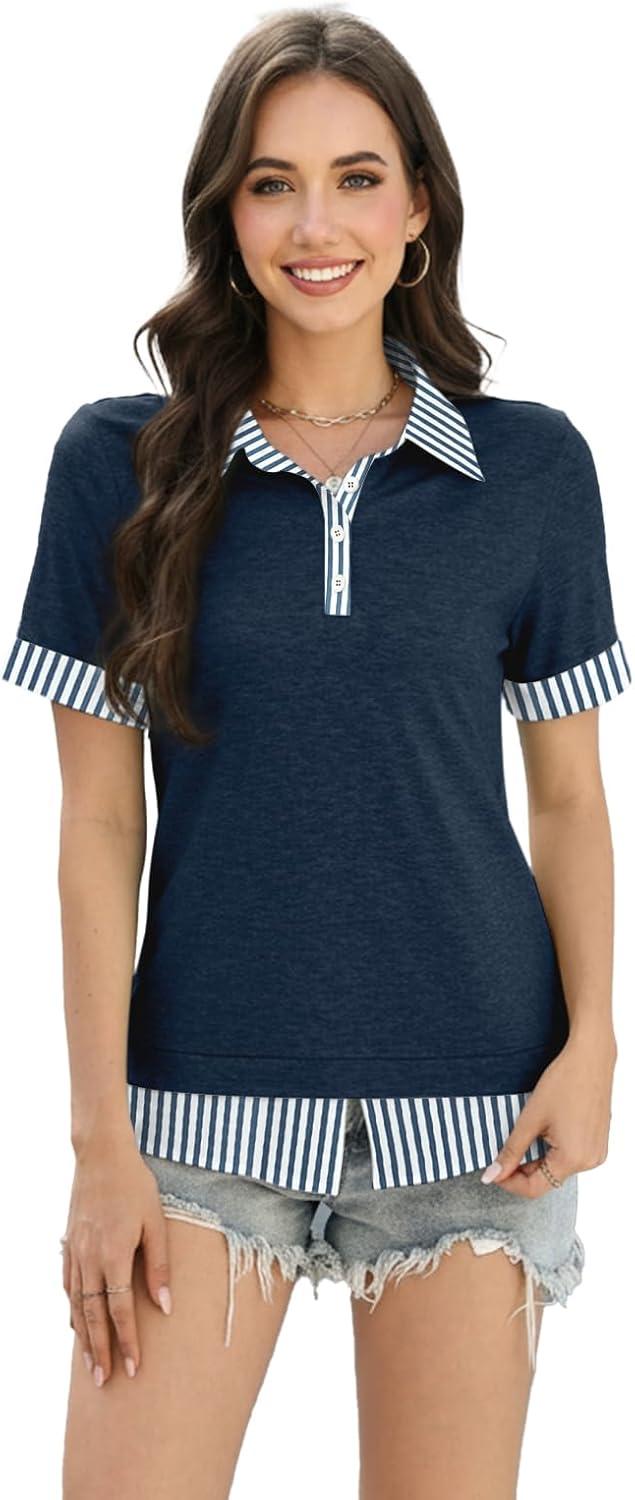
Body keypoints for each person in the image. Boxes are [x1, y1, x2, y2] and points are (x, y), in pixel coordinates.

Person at [2, 8, 630, 1499]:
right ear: (226, 214)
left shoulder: (532, 469)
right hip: (193, 1115)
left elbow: (568, 798)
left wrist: (596, 1042)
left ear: (420, 210)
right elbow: (97, 825)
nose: (315, 224)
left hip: (479, 1121)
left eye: (358, 178)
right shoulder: (119, 465)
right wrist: (99, 1143)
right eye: (272, 183)